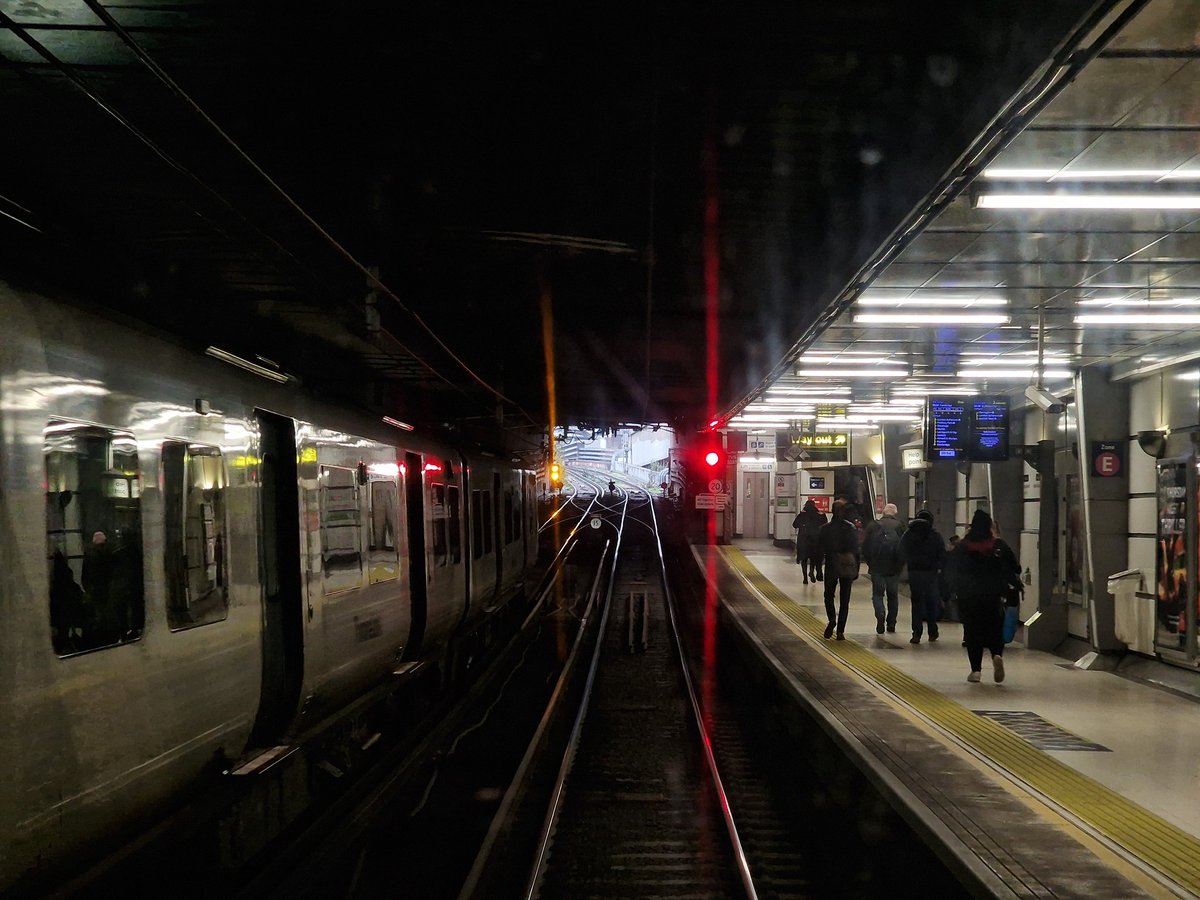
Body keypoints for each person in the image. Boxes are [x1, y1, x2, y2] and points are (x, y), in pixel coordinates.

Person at [945, 509, 1020, 683]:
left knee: (972, 631)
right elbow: (1015, 567)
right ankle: (996, 655)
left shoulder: (963, 546)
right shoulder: (998, 545)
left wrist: (951, 591)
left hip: (969, 596)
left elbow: (952, 570)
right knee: (994, 628)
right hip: (993, 595)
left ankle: (976, 671)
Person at [901, 510, 946, 644]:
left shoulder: (909, 534)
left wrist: (908, 562)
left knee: (917, 603)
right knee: (931, 602)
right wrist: (939, 566)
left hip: (914, 573)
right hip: (930, 573)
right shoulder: (935, 535)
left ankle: (916, 633)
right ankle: (932, 631)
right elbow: (942, 554)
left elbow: (901, 549)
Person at [818, 499, 860, 640]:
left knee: (828, 596)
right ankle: (841, 631)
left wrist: (817, 568)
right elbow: (856, 550)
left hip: (831, 564)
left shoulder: (825, 528)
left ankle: (832, 619)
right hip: (847, 565)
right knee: (845, 599)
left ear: (832, 511)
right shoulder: (851, 528)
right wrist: (856, 569)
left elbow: (819, 549)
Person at [862, 502, 905, 634]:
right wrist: (900, 564)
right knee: (893, 596)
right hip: (893, 567)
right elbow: (904, 546)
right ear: (895, 513)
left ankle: (880, 613)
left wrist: (870, 562)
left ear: (883, 513)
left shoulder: (873, 525)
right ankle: (891, 623)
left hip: (877, 566)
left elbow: (865, 546)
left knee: (877, 594)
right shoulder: (900, 526)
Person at [791, 499, 827, 584]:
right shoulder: (821, 515)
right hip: (815, 541)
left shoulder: (802, 515)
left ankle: (805, 578)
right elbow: (824, 526)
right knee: (813, 558)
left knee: (804, 559)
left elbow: (794, 525)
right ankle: (811, 571)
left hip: (804, 541)